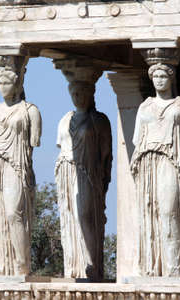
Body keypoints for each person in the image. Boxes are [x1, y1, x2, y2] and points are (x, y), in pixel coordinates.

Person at [130, 63, 180, 277]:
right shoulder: (144, 107)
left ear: (171, 78)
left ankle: (173, 270)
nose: (159, 80)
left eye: (163, 76)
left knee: (169, 212)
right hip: (147, 161)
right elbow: (135, 139)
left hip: (171, 160)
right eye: (155, 76)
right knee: (149, 213)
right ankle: (151, 269)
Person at [0, 62, 42, 276]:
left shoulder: (31, 111)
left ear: (17, 83)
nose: (2, 87)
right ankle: (2, 265)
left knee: (13, 213)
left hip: (16, 164)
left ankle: (22, 263)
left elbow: (33, 142)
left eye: (7, 82)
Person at [55, 81, 112, 281]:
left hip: (88, 173)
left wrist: (103, 178)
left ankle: (93, 264)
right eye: (74, 92)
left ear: (90, 94)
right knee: (70, 216)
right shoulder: (64, 120)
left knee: (86, 215)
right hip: (66, 171)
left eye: (82, 92)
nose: (77, 96)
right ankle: (75, 265)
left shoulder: (99, 120)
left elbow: (106, 154)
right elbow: (60, 146)